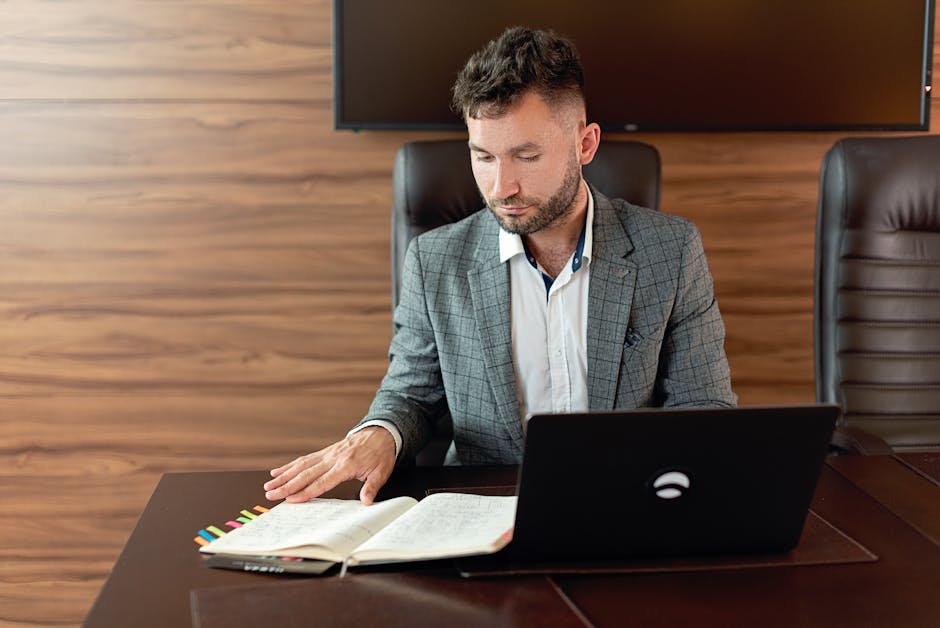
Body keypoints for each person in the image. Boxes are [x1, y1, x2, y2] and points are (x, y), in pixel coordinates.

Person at [264, 26, 736, 505]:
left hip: (624, 504)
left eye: (526, 156)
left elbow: (704, 409)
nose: (500, 187)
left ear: (585, 145)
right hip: (483, 510)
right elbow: (410, 395)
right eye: (483, 157)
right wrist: (380, 433)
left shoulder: (670, 251)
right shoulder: (435, 261)